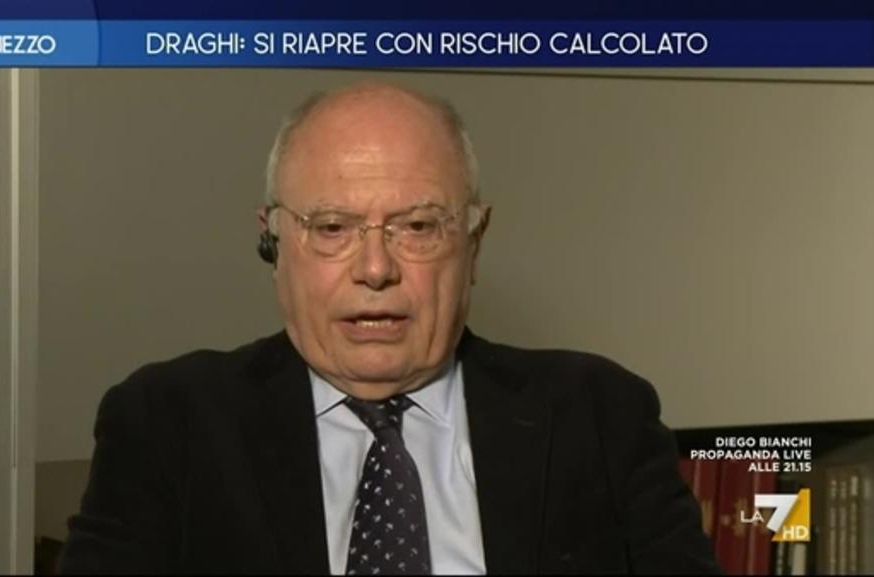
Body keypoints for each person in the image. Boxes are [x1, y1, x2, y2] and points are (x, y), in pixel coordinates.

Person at [59, 81, 721, 574]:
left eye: (419, 226)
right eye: (332, 227)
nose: (375, 269)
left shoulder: (601, 415)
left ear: (474, 242)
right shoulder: (165, 423)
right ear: (273, 244)